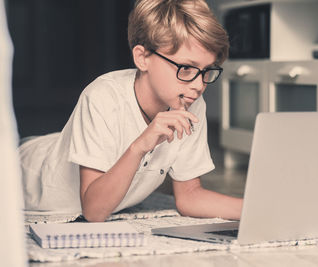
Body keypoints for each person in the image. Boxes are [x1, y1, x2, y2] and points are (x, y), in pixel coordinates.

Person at [18, 0, 243, 222]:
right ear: (142, 58)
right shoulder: (103, 96)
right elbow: (94, 211)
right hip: (24, 170)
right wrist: (140, 146)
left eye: (206, 71)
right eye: (186, 68)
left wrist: (264, 210)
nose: (198, 85)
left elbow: (189, 198)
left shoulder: (190, 101)